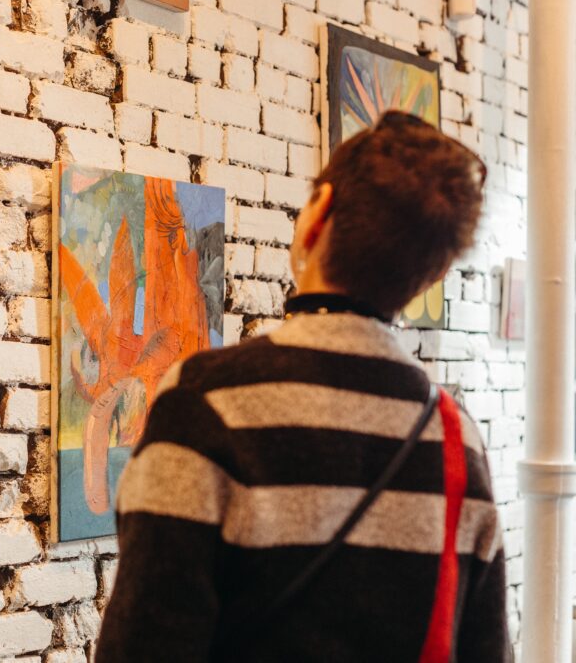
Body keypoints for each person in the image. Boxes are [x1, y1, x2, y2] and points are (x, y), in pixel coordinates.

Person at [95, 111, 510, 662]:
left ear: (317, 213)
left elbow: (144, 647)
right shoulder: (456, 442)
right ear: (433, 277)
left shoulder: (205, 404)